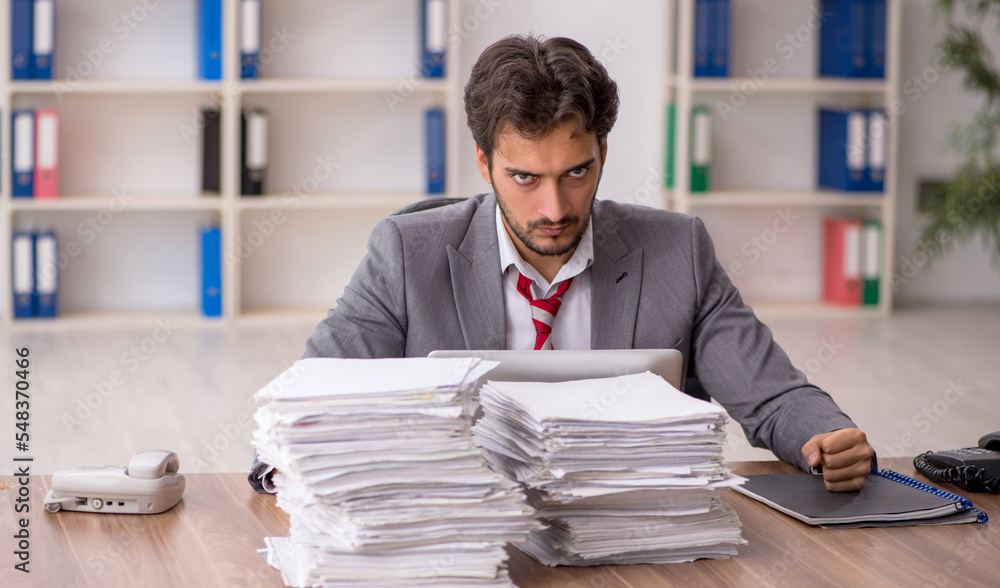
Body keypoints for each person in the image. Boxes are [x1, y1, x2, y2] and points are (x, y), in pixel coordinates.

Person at [249, 34, 873, 494]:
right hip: (463, 531)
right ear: (484, 163)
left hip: (625, 529)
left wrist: (825, 437)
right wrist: (288, 458)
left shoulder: (676, 251)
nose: (553, 207)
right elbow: (310, 395)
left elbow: (774, 396)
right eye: (524, 177)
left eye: (576, 172)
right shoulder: (406, 254)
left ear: (603, 151)